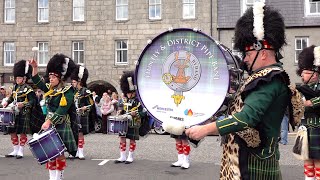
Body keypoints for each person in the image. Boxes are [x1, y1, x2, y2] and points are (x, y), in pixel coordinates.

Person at [185, 2, 296, 179]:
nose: (244, 59)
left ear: (263, 53)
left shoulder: (271, 79)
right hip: (244, 158)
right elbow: (236, 113)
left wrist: (205, 130)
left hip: (254, 165)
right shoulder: (261, 77)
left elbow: (245, 118)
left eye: (248, 54)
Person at [29, 53, 78, 180]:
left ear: (60, 77)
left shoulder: (68, 91)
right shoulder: (49, 88)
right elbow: (37, 81)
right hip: (49, 124)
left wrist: (49, 121)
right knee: (50, 152)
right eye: (49, 75)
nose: (50, 78)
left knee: (59, 153)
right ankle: (52, 178)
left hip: (61, 124)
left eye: (53, 76)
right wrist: (35, 67)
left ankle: (59, 176)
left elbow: (62, 110)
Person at [2, 60, 44, 159]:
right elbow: (12, 98)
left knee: (22, 132)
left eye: (19, 78)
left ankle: (21, 150)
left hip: (24, 112)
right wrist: (6, 102)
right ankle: (15, 149)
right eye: (16, 77)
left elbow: (33, 101)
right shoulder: (15, 88)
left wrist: (23, 104)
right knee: (12, 130)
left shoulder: (28, 89)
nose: (17, 79)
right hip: (14, 112)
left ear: (24, 78)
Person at [296, 45, 320, 180]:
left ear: (314, 73)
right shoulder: (303, 89)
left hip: (318, 128)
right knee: (307, 160)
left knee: (318, 161)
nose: (301, 75)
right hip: (305, 128)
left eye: (305, 72)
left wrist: (310, 103)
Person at [114, 71, 147, 164]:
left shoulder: (139, 100)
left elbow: (144, 112)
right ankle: (122, 156)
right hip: (124, 122)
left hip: (134, 122)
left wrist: (136, 114)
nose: (127, 94)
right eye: (126, 93)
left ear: (133, 92)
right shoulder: (125, 100)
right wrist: (120, 111)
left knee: (132, 139)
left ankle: (130, 156)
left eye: (129, 93)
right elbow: (122, 107)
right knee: (122, 138)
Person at [70, 65, 95, 160]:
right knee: (73, 133)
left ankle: (80, 151)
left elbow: (91, 104)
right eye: (72, 82)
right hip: (73, 115)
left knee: (80, 133)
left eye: (74, 82)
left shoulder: (86, 91)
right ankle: (74, 151)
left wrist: (85, 108)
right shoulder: (72, 91)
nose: (72, 83)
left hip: (82, 115)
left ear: (79, 82)